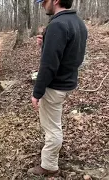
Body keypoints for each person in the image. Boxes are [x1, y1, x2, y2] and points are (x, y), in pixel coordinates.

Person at [29, 0, 88, 175]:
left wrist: (37, 92)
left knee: (52, 127)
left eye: (44, 1)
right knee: (54, 123)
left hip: (55, 86)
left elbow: (49, 65)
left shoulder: (57, 25)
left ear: (55, 1)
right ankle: (52, 149)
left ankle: (49, 166)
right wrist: (44, 46)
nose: (42, 5)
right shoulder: (78, 23)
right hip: (67, 82)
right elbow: (69, 54)